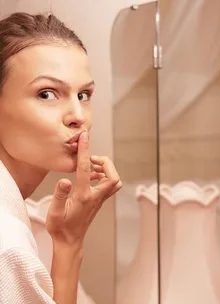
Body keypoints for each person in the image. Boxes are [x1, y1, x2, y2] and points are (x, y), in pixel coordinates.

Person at [0, 12, 122, 303]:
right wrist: (70, 242)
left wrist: (68, 241)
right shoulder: (8, 248)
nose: (78, 117)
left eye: (83, 95)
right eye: (46, 94)